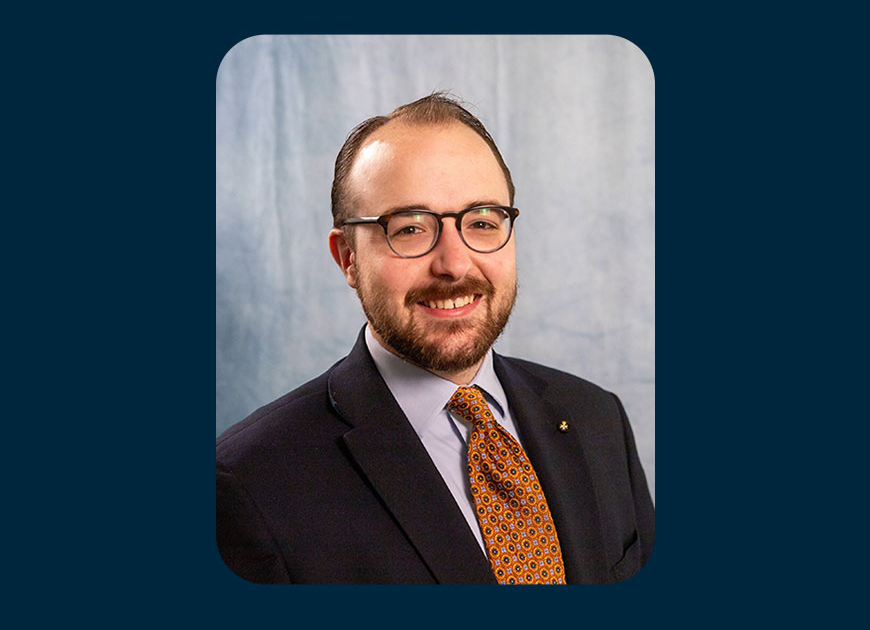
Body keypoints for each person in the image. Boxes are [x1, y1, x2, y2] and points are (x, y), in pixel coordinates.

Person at [216, 92, 654, 584]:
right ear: (348, 258)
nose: (454, 264)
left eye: (482, 222)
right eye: (409, 229)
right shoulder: (250, 482)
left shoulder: (597, 418)